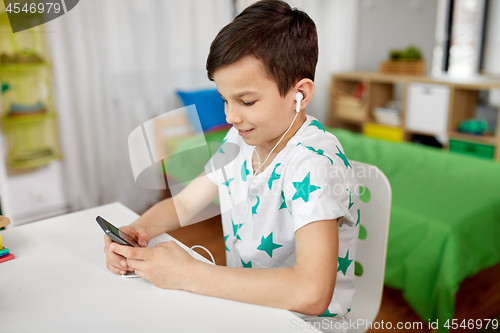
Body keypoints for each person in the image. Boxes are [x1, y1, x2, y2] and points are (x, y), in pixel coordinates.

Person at [104, 1, 359, 332]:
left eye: (247, 101)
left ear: (300, 94)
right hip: (247, 308)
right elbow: (184, 203)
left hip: (303, 323)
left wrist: (189, 273)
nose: (230, 116)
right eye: (225, 99)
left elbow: (312, 293)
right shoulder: (240, 141)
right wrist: (139, 229)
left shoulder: (313, 164)